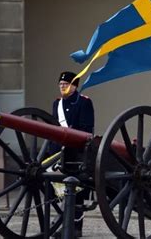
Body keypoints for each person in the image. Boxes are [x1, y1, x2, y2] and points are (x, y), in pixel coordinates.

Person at [53, 71, 94, 238]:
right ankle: (61, 224)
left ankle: (76, 227)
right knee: (59, 191)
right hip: (59, 151)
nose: (62, 86)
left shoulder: (84, 102)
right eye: (61, 84)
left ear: (74, 86)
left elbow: (86, 129)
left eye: (66, 84)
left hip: (76, 152)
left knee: (76, 192)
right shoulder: (57, 104)